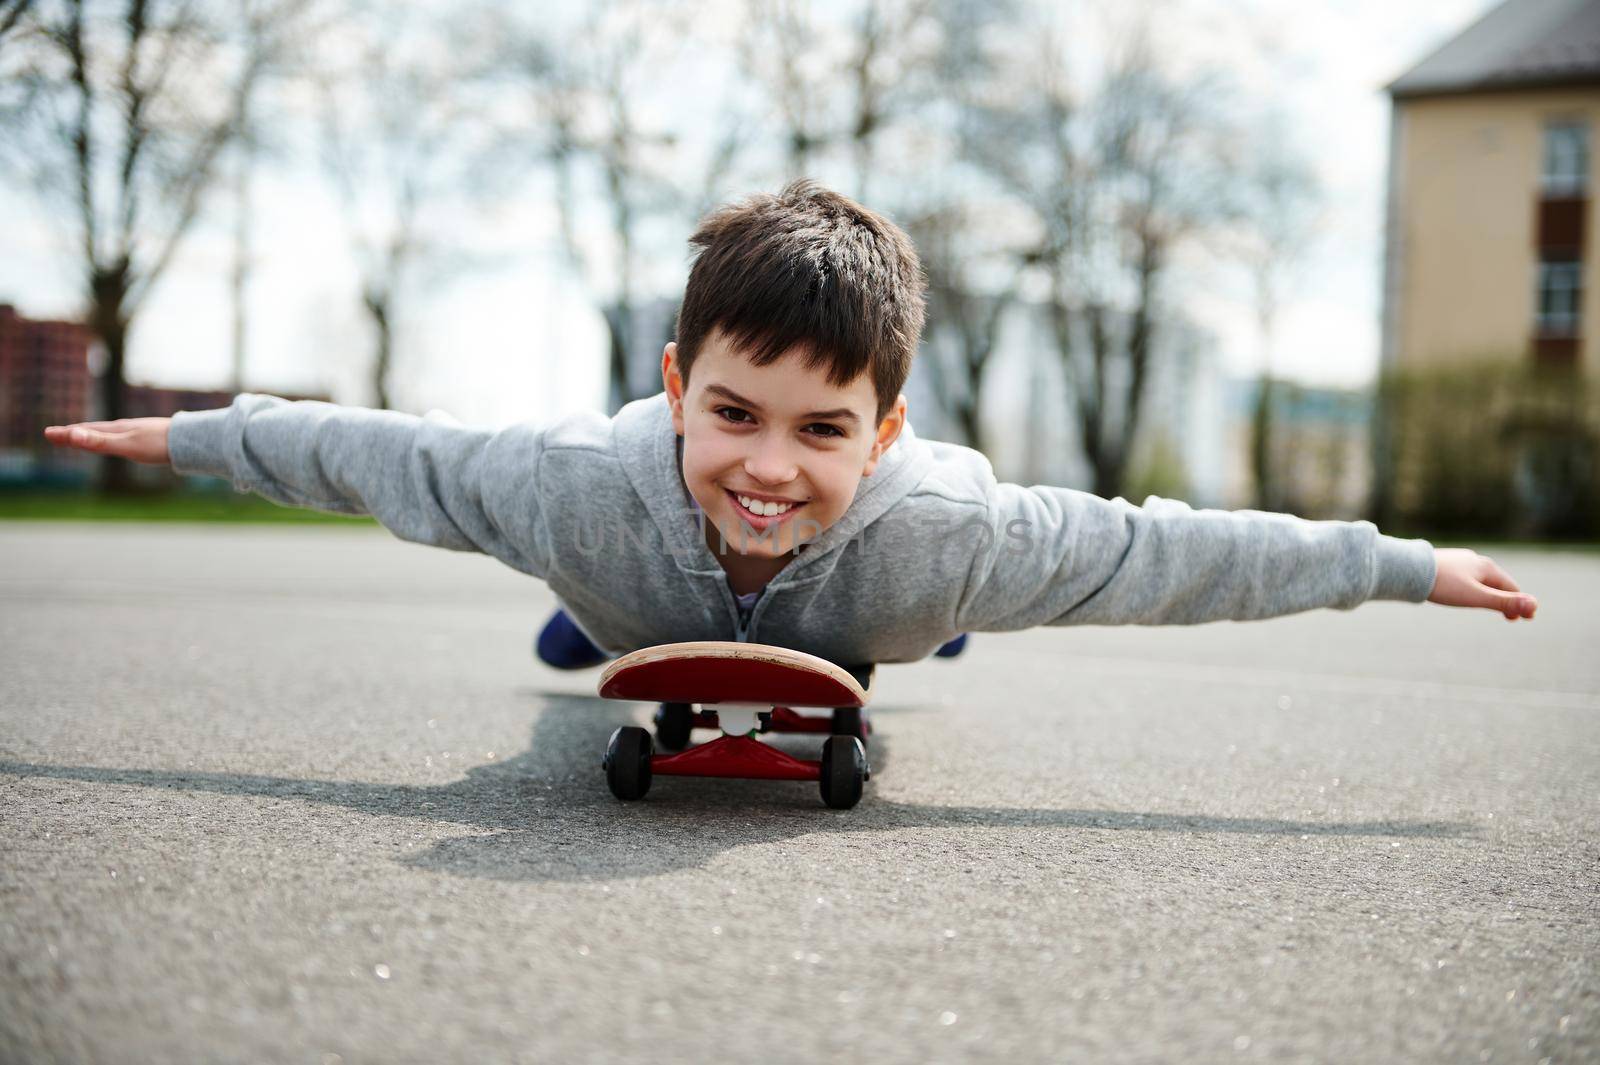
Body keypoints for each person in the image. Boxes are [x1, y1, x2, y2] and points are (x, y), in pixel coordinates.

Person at [44, 181, 1537, 677]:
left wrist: (1396, 561)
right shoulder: (571, 483)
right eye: (734, 413)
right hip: (624, 581)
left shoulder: (954, 528)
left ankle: (894, 628)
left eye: (823, 430)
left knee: (917, 608)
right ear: (678, 381)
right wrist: (192, 435)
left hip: (885, 595)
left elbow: (1169, 552)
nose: (768, 463)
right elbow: (381, 451)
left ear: (885, 431)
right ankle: (606, 624)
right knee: (599, 614)